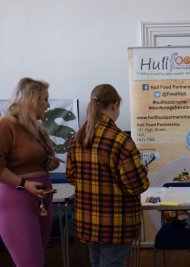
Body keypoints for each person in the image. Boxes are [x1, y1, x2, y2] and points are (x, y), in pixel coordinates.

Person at [66, 84, 149, 267]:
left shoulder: (77, 138)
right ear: (115, 105)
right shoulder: (121, 140)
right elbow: (136, 186)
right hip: (115, 223)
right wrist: (142, 170)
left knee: (96, 263)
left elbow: (71, 178)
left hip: (88, 220)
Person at [0, 77, 60, 267]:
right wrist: (24, 184)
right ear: (31, 100)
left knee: (38, 259)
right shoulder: (6, 125)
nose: (48, 104)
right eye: (45, 99)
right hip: (18, 200)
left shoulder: (36, 128)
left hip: (41, 201)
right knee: (30, 263)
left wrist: (50, 163)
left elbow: (39, 160)